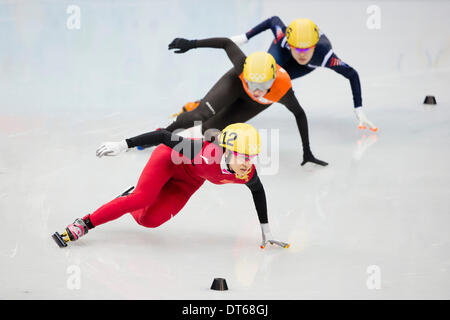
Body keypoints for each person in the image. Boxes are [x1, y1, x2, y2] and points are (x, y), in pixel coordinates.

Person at [52, 123, 289, 250]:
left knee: (149, 220)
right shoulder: (202, 152)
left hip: (189, 181)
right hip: (168, 160)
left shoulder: (247, 173)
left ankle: (128, 197)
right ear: (227, 151)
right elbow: (165, 136)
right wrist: (124, 145)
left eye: (253, 157)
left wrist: (266, 233)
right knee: (142, 199)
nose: (248, 163)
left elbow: (258, 191)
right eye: (243, 156)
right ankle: (84, 223)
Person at [183, 17, 377, 132]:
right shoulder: (282, 38)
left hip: (308, 65)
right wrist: (246, 36)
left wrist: (358, 109)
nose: (301, 54)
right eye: (297, 49)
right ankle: (204, 103)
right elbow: (273, 20)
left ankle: (224, 112)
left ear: (314, 46)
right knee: (261, 74)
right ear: (289, 43)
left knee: (275, 84)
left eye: (306, 50)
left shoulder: (325, 56)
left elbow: (352, 74)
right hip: (280, 54)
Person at [158, 37, 327, 167]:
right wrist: (192, 44)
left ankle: (196, 148)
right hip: (236, 85)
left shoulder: (283, 90)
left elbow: (299, 113)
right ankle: (160, 135)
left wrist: (307, 152)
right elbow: (226, 43)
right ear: (246, 72)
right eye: (252, 82)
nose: (256, 90)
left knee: (210, 129)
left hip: (254, 104)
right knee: (200, 114)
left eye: (263, 85)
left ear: (273, 80)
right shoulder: (242, 65)